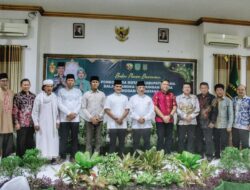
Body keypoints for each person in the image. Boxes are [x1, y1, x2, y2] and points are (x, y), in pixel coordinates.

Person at [32, 79, 59, 162]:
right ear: (44, 87)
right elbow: (35, 112)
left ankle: (53, 158)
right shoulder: (39, 97)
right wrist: (36, 123)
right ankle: (41, 158)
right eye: (47, 86)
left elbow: (58, 111)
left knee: (53, 139)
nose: (49, 88)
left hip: (52, 123)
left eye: (51, 86)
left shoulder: (54, 97)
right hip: (42, 123)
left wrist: (58, 121)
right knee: (42, 140)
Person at [58, 74, 82, 161]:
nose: (70, 82)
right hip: (64, 118)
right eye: (69, 80)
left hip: (75, 119)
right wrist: (68, 113)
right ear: (65, 81)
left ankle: (73, 157)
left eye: (72, 80)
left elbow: (80, 103)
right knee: (63, 138)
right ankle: (62, 156)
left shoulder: (78, 91)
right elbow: (59, 104)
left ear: (74, 82)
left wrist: (74, 113)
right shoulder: (61, 91)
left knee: (74, 138)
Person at [104, 80, 129, 156]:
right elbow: (107, 110)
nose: (119, 88)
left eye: (120, 86)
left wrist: (121, 119)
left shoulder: (125, 97)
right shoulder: (109, 97)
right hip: (112, 124)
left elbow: (127, 110)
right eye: (117, 86)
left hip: (122, 124)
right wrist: (116, 119)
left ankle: (122, 159)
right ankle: (112, 159)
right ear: (113, 87)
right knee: (112, 143)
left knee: (122, 143)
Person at [81, 76, 105, 154]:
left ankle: (96, 155)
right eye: (93, 82)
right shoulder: (86, 94)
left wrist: (99, 116)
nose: (95, 83)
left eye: (96, 82)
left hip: (99, 120)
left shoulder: (102, 94)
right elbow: (83, 108)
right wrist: (91, 117)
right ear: (90, 83)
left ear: (98, 83)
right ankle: (88, 156)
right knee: (88, 139)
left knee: (98, 139)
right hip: (89, 120)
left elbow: (105, 107)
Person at [13, 78, 36, 157]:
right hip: (21, 124)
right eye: (24, 85)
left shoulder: (33, 96)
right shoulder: (17, 96)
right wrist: (16, 123)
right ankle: (20, 160)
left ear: (30, 85)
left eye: (27, 84)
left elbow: (36, 110)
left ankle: (29, 159)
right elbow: (15, 110)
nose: (26, 86)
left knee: (30, 142)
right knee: (21, 142)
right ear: (21, 86)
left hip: (31, 123)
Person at [129, 81, 155, 152]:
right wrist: (138, 118)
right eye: (140, 87)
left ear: (145, 89)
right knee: (135, 143)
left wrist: (144, 118)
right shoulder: (132, 98)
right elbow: (130, 111)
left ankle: (147, 159)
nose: (142, 89)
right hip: (136, 125)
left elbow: (152, 111)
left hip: (146, 125)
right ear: (136, 88)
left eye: (143, 87)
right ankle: (135, 158)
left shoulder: (148, 99)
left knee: (147, 143)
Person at [152, 79, 177, 153]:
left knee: (169, 138)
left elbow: (175, 106)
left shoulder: (172, 95)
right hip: (160, 120)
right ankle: (160, 154)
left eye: (167, 84)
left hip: (170, 120)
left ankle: (168, 153)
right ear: (161, 85)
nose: (166, 86)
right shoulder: (157, 94)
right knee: (160, 137)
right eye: (164, 84)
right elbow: (155, 107)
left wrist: (170, 116)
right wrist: (163, 117)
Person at [196, 82, 218, 161]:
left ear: (208, 88)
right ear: (200, 89)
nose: (203, 89)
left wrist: (213, 122)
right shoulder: (197, 97)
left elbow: (215, 111)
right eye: (202, 88)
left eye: (205, 88)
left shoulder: (213, 98)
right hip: (198, 122)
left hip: (208, 122)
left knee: (208, 140)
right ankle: (200, 153)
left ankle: (209, 155)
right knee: (199, 139)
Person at [176, 82, 200, 153]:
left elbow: (197, 109)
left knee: (191, 138)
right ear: (182, 89)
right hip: (181, 122)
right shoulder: (178, 98)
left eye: (188, 87)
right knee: (181, 138)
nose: (187, 88)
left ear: (190, 89)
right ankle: (180, 154)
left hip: (192, 122)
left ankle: (190, 154)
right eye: (185, 87)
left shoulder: (194, 97)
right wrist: (185, 116)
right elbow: (177, 109)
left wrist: (191, 116)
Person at [213, 83, 233, 158]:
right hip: (215, 126)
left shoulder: (228, 101)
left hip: (225, 126)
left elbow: (231, 114)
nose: (219, 92)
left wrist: (229, 126)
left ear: (223, 91)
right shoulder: (213, 100)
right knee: (216, 142)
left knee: (224, 143)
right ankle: (217, 156)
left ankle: (225, 157)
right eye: (217, 90)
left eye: (221, 90)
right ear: (215, 91)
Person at [0, 73, 14, 158]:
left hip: (9, 123)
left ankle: (6, 163)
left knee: (8, 146)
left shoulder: (11, 92)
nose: (5, 82)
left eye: (6, 81)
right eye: (2, 81)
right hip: (0, 122)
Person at [232, 84, 250, 149]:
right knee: (235, 144)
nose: (240, 91)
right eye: (239, 89)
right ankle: (236, 158)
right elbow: (231, 112)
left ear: (245, 90)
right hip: (234, 126)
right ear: (236, 91)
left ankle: (245, 158)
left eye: (242, 89)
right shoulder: (234, 99)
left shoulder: (249, 100)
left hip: (245, 126)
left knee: (245, 145)